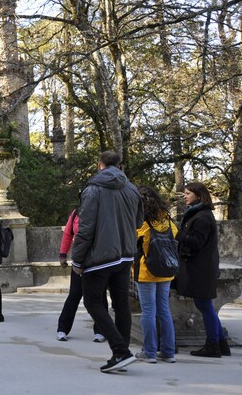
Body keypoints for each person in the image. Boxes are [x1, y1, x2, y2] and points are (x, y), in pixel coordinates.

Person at [71, 150, 143, 373]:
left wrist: (77, 259)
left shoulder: (93, 189)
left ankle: (121, 351)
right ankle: (120, 354)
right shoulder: (132, 189)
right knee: (121, 304)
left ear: (99, 164)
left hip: (100, 258)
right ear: (119, 166)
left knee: (93, 302)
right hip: (125, 255)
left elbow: (86, 228)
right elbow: (138, 221)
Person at [176, 181, 229, 357]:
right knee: (205, 306)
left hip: (202, 269)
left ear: (199, 196)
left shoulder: (202, 217)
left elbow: (197, 242)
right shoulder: (199, 214)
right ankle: (221, 344)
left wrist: (179, 234)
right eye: (184, 193)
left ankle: (213, 345)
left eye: (188, 193)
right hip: (202, 267)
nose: (185, 196)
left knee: (205, 306)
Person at [134, 185, 179, 364]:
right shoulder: (166, 219)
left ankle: (150, 352)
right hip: (166, 270)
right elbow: (175, 235)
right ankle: (168, 352)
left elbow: (133, 242)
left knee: (148, 312)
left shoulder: (142, 222)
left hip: (147, 271)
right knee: (164, 311)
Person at [56, 206, 107, 342]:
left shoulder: (102, 211)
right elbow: (68, 233)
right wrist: (63, 255)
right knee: (74, 294)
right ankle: (62, 329)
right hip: (79, 261)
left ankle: (101, 330)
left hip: (97, 261)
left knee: (99, 295)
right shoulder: (76, 213)